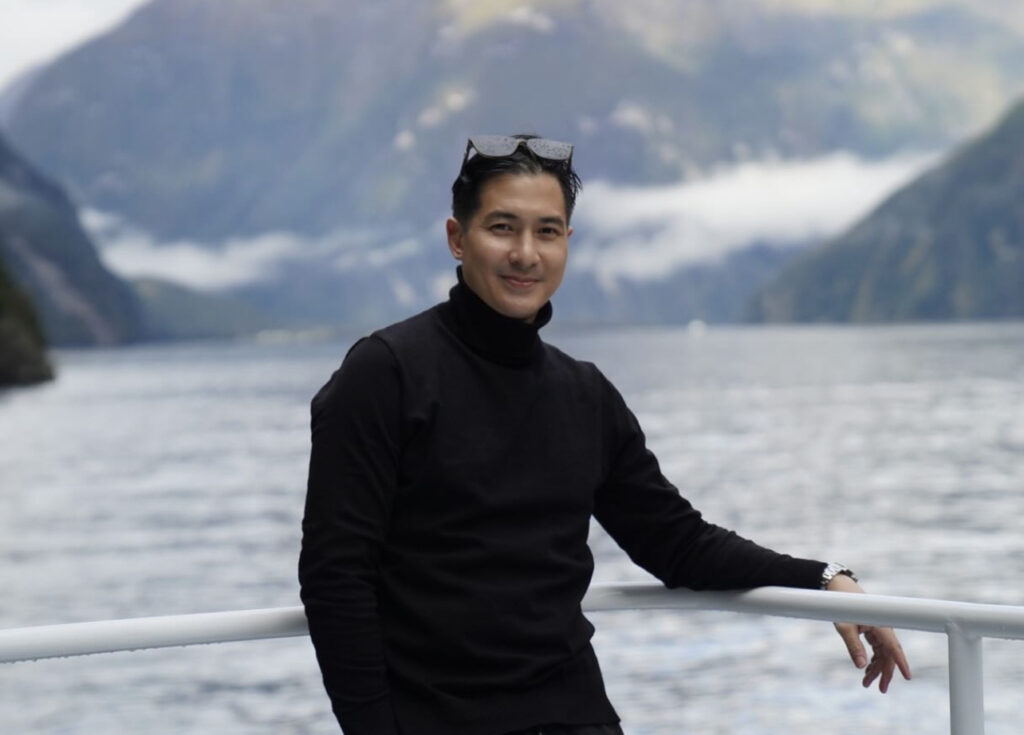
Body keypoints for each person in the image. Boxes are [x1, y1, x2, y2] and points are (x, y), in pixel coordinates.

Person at [298, 134, 911, 735]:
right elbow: (335, 576)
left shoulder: (584, 395)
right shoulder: (386, 373)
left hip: (577, 715)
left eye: (547, 231)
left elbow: (678, 543)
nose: (525, 254)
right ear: (458, 238)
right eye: (502, 228)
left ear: (567, 242)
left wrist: (825, 579)